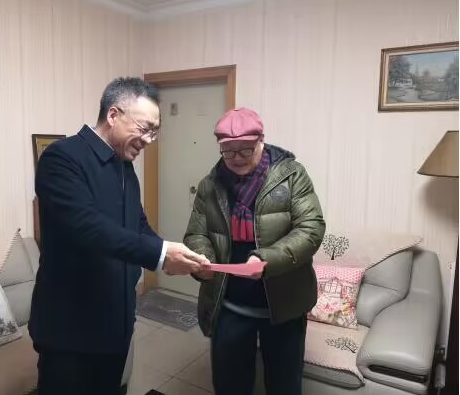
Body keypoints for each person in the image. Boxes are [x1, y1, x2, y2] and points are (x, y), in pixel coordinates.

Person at [29, 77, 210, 395]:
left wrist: (170, 255)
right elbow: (87, 227)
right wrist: (160, 253)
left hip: (116, 323)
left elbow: (136, 225)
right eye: (145, 128)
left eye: (155, 131)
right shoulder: (62, 158)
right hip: (69, 328)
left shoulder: (124, 166)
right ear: (113, 115)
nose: (149, 140)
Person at [184, 108, 326, 395]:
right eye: (228, 151)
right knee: (230, 385)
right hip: (229, 305)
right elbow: (196, 233)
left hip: (284, 305)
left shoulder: (292, 175)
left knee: (284, 386)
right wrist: (203, 260)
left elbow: (311, 228)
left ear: (262, 141)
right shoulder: (210, 184)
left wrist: (266, 259)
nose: (236, 158)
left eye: (245, 150)